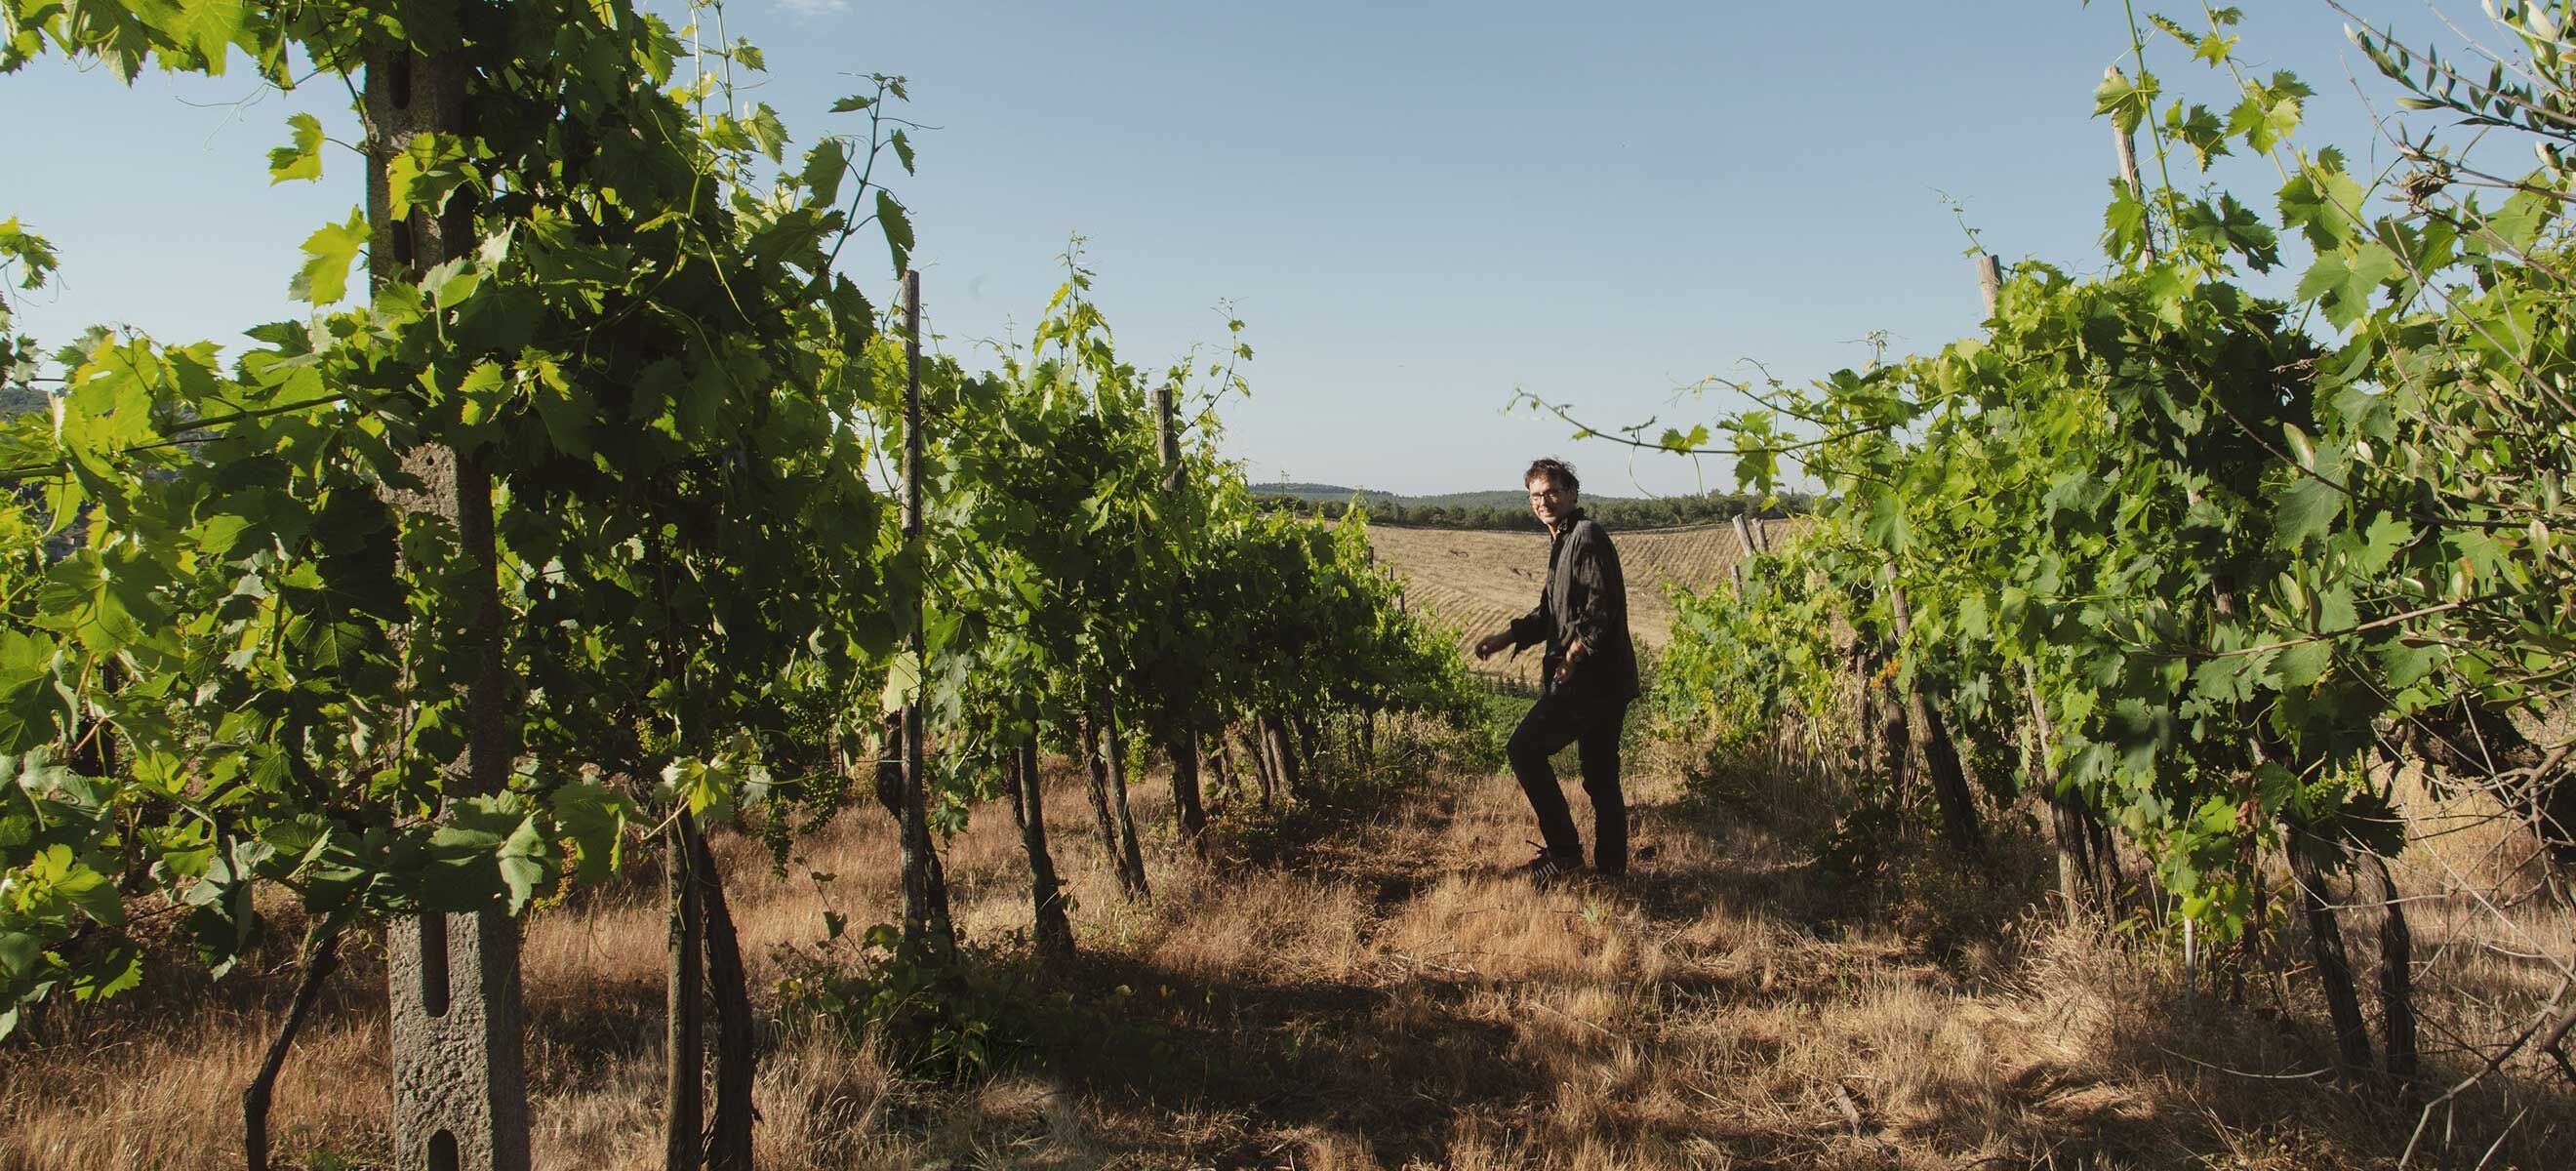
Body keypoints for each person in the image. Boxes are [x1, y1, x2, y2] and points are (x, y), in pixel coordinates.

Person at [1473, 457, 1638, 881]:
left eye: (1551, 492)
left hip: (1592, 680)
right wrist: (1504, 638)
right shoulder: (1563, 542)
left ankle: (1565, 853)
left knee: (1525, 749)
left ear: (1571, 493)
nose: (1543, 501)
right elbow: (1549, 613)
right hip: (1604, 680)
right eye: (1535, 495)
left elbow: (1601, 609)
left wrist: (1572, 656)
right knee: (1601, 776)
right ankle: (1611, 872)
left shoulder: (1586, 537)